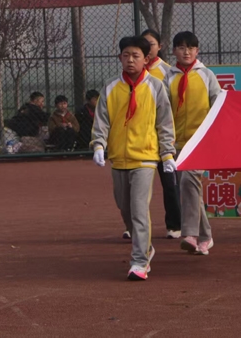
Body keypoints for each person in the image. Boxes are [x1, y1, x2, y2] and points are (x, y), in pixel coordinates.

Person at [91, 35, 176, 281]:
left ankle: (139, 261)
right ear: (120, 57)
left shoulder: (156, 87)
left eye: (136, 56)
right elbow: (102, 120)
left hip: (145, 158)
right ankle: (146, 246)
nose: (130, 60)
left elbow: (165, 123)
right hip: (119, 158)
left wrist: (167, 153)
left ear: (146, 59)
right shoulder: (110, 87)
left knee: (139, 209)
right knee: (125, 208)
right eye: (126, 55)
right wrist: (99, 145)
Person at [163, 31, 221, 255]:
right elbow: (162, 109)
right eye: (181, 47)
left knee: (189, 181)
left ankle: (190, 234)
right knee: (190, 189)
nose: (186, 52)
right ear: (174, 51)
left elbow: (218, 104)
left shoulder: (207, 75)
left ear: (197, 51)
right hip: (177, 142)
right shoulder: (168, 78)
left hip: (201, 141)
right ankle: (206, 237)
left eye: (190, 47)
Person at [142, 29, 181, 240]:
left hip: (165, 139)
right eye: (144, 44)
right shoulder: (133, 72)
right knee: (138, 187)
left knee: (171, 184)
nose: (147, 48)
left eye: (151, 44)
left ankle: (174, 224)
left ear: (160, 46)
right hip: (142, 140)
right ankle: (134, 225)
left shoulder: (168, 72)